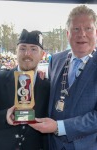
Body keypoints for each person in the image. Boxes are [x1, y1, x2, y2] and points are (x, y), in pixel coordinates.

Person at [30, 5, 97, 150]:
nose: (82, 34)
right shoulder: (56, 59)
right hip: (52, 145)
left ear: (96, 32)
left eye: (88, 28)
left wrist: (59, 127)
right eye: (76, 29)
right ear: (67, 34)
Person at [0, 29, 50, 150]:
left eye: (33, 49)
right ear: (16, 51)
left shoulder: (47, 86)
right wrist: (5, 116)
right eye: (22, 48)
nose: (27, 53)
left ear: (42, 54)